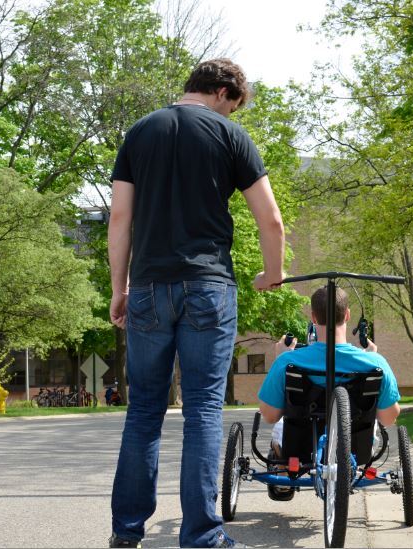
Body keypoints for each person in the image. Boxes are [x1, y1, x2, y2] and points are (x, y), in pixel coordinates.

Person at [107, 58, 286, 549]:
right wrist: (272, 274)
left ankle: (126, 532)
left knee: (144, 409)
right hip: (208, 286)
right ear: (224, 92)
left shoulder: (140, 132)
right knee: (204, 409)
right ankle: (202, 537)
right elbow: (271, 220)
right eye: (234, 106)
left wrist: (119, 289)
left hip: (148, 287)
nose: (232, 115)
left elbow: (120, 218)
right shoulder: (230, 136)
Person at [256, 286, 401, 500]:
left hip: (299, 443)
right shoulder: (375, 362)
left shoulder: (287, 361)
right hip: (356, 445)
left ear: (314, 317)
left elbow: (269, 415)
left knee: (281, 427)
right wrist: (371, 357)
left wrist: (281, 358)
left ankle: (285, 471)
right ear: (347, 315)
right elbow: (388, 418)